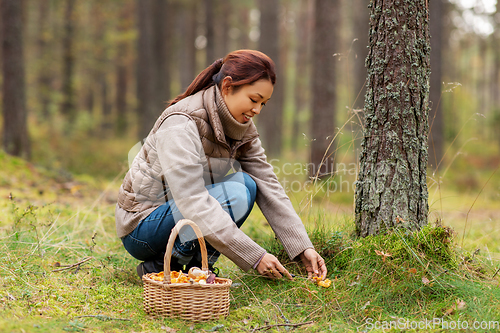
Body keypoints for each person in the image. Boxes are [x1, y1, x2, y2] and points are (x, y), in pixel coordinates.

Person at [116, 49, 327, 281]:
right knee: (235, 193)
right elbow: (192, 200)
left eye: (263, 104)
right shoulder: (181, 123)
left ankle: (195, 269)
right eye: (253, 99)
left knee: (248, 185)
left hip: (179, 212)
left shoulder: (242, 126)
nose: (257, 110)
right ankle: (171, 266)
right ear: (227, 86)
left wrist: (301, 246)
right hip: (143, 225)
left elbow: (269, 185)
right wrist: (255, 257)